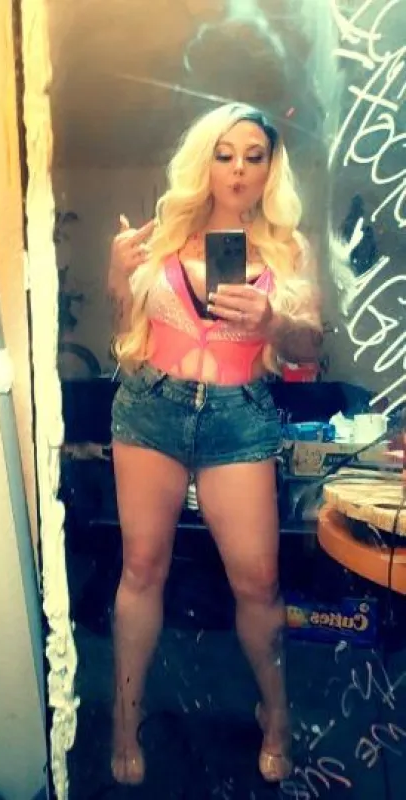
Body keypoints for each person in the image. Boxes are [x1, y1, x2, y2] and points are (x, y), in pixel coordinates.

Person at [107, 102, 322, 785]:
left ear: (270, 167)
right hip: (152, 408)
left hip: (239, 416)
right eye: (223, 154)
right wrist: (117, 275)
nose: (237, 169)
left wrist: (273, 321)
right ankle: (124, 719)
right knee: (141, 568)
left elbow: (310, 345)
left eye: (253, 156)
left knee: (258, 581)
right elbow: (127, 325)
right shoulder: (162, 238)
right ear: (203, 161)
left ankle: (276, 713)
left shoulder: (286, 248)